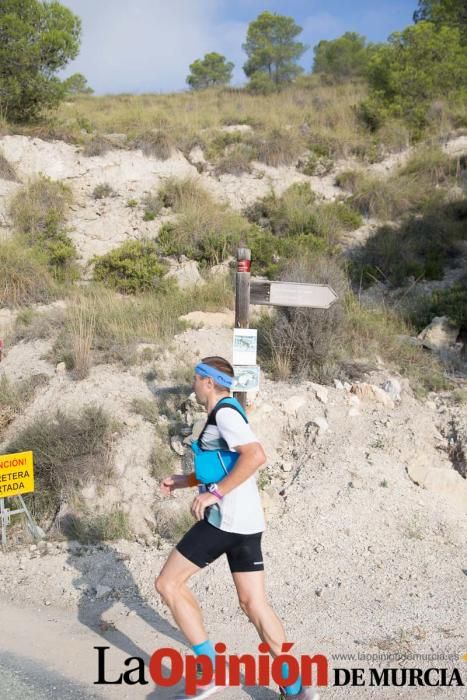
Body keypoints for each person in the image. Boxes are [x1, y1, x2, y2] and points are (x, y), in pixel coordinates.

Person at [155, 356, 319, 700]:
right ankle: (296, 689)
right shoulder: (225, 413)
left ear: (208, 382)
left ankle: (210, 669)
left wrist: (214, 494)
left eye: (195, 379)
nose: (193, 386)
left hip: (224, 521)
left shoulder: (224, 414)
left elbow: (255, 456)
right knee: (253, 604)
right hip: (246, 523)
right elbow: (223, 464)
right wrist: (184, 481)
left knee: (168, 583)